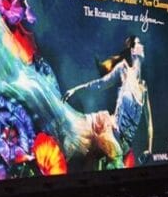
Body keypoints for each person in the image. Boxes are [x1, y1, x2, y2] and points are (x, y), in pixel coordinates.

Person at [64, 35, 151, 164]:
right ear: (132, 50)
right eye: (138, 43)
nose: (142, 45)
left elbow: (149, 122)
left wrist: (149, 149)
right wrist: (76, 89)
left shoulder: (143, 87)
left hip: (123, 144)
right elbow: (101, 83)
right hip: (110, 130)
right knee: (75, 126)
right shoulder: (123, 69)